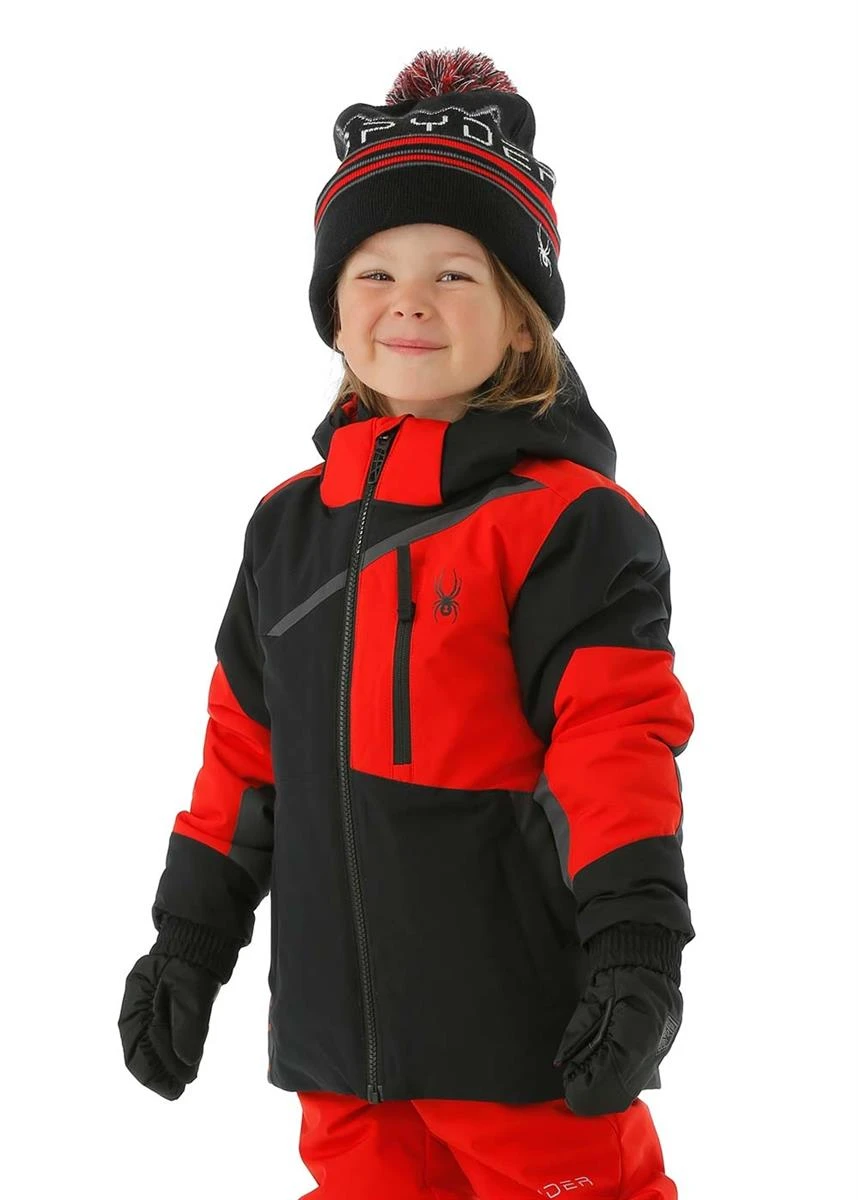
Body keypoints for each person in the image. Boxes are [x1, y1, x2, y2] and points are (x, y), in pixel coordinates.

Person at [119, 46, 696, 1200]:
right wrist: (188, 941)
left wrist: (635, 949)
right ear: (335, 312)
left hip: (523, 1041)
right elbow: (242, 758)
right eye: (374, 271)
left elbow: (613, 745)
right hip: (340, 1054)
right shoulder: (285, 529)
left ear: (522, 323)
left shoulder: (567, 523)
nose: (410, 301)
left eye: (456, 273)